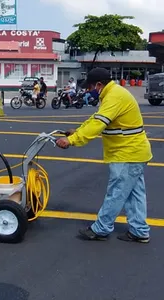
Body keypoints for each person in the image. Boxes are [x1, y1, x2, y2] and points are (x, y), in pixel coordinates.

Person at [56, 67, 152, 243]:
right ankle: (139, 230)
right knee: (134, 194)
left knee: (116, 192)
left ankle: (101, 228)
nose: (88, 91)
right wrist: (77, 131)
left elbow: (99, 124)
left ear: (99, 84)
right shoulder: (112, 94)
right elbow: (96, 119)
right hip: (135, 152)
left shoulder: (114, 96)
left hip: (127, 153)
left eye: (90, 87)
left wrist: (73, 140)